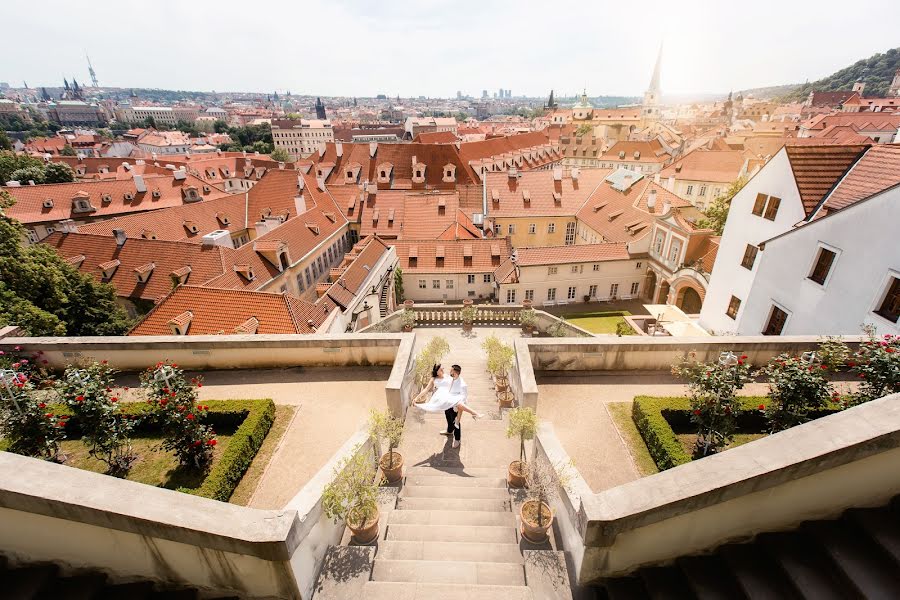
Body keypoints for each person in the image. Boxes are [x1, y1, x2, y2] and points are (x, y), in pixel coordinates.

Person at [413, 363, 481, 448]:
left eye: (442, 369)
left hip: (453, 401)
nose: (443, 370)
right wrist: (416, 398)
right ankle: (449, 431)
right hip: (444, 402)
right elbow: (426, 389)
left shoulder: (448, 376)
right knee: (448, 417)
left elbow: (458, 381)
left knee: (456, 420)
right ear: (437, 371)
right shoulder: (434, 379)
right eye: (441, 369)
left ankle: (457, 439)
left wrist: (459, 400)